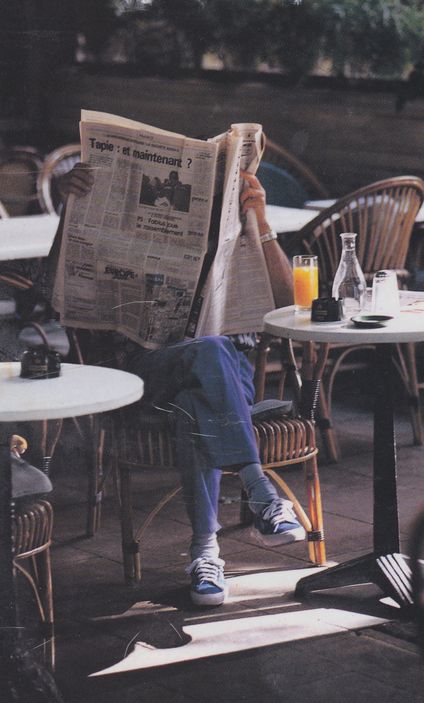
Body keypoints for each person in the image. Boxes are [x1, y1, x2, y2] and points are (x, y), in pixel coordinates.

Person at [53, 163, 305, 607]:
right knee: (204, 356)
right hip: (142, 369)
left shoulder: (239, 234)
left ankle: (206, 553)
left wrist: (260, 220)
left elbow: (290, 305)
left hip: (223, 378)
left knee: (199, 387)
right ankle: (259, 489)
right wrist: (68, 207)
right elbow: (53, 289)